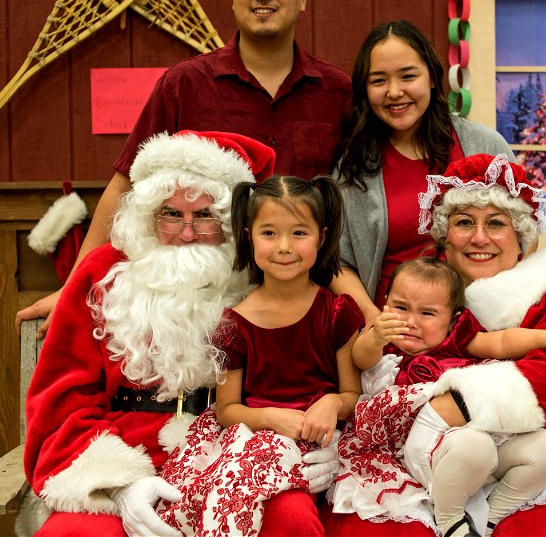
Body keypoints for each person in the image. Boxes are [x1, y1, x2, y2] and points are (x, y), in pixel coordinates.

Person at [17, 0, 351, 335]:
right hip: (207, 302)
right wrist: (73, 288)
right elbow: (126, 182)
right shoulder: (186, 83)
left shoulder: (337, 91)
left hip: (307, 302)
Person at [17, 131, 339, 537]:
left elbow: (313, 372)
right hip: (124, 450)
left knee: (290, 520)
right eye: (171, 214)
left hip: (241, 451)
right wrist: (119, 487)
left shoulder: (266, 274)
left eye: (204, 216)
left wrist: (326, 438)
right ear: (147, 215)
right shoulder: (103, 274)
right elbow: (60, 404)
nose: (187, 232)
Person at [324, 153, 546, 537]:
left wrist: (457, 406)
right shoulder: (421, 285)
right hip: (413, 463)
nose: (479, 238)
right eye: (464, 222)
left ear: (522, 238)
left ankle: (491, 516)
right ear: (444, 238)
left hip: (536, 463)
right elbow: (376, 356)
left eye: (496, 223)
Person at [154, 175, 362, 537]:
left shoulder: (337, 312)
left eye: (299, 233)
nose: (284, 247)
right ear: (249, 237)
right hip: (255, 438)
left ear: (323, 237)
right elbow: (227, 410)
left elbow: (352, 396)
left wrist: (332, 403)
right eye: (269, 233)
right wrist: (271, 418)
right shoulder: (232, 325)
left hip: (321, 449)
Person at [339, 257, 546, 537]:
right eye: (401, 308)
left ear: (452, 320)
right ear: (386, 305)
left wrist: (544, 338)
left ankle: (491, 517)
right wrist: (377, 336)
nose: (411, 322)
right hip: (418, 455)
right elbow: (361, 358)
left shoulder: (458, 340)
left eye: (427, 314)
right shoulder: (385, 345)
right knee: (474, 444)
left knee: (545, 448)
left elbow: (501, 341)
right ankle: (449, 519)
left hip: (478, 455)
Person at [330, 19, 514, 323]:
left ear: (431, 76)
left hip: (486, 325)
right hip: (400, 335)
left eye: (408, 76)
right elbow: (339, 262)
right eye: (378, 81)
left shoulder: (483, 145)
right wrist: (375, 322)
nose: (394, 92)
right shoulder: (354, 169)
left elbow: (527, 229)